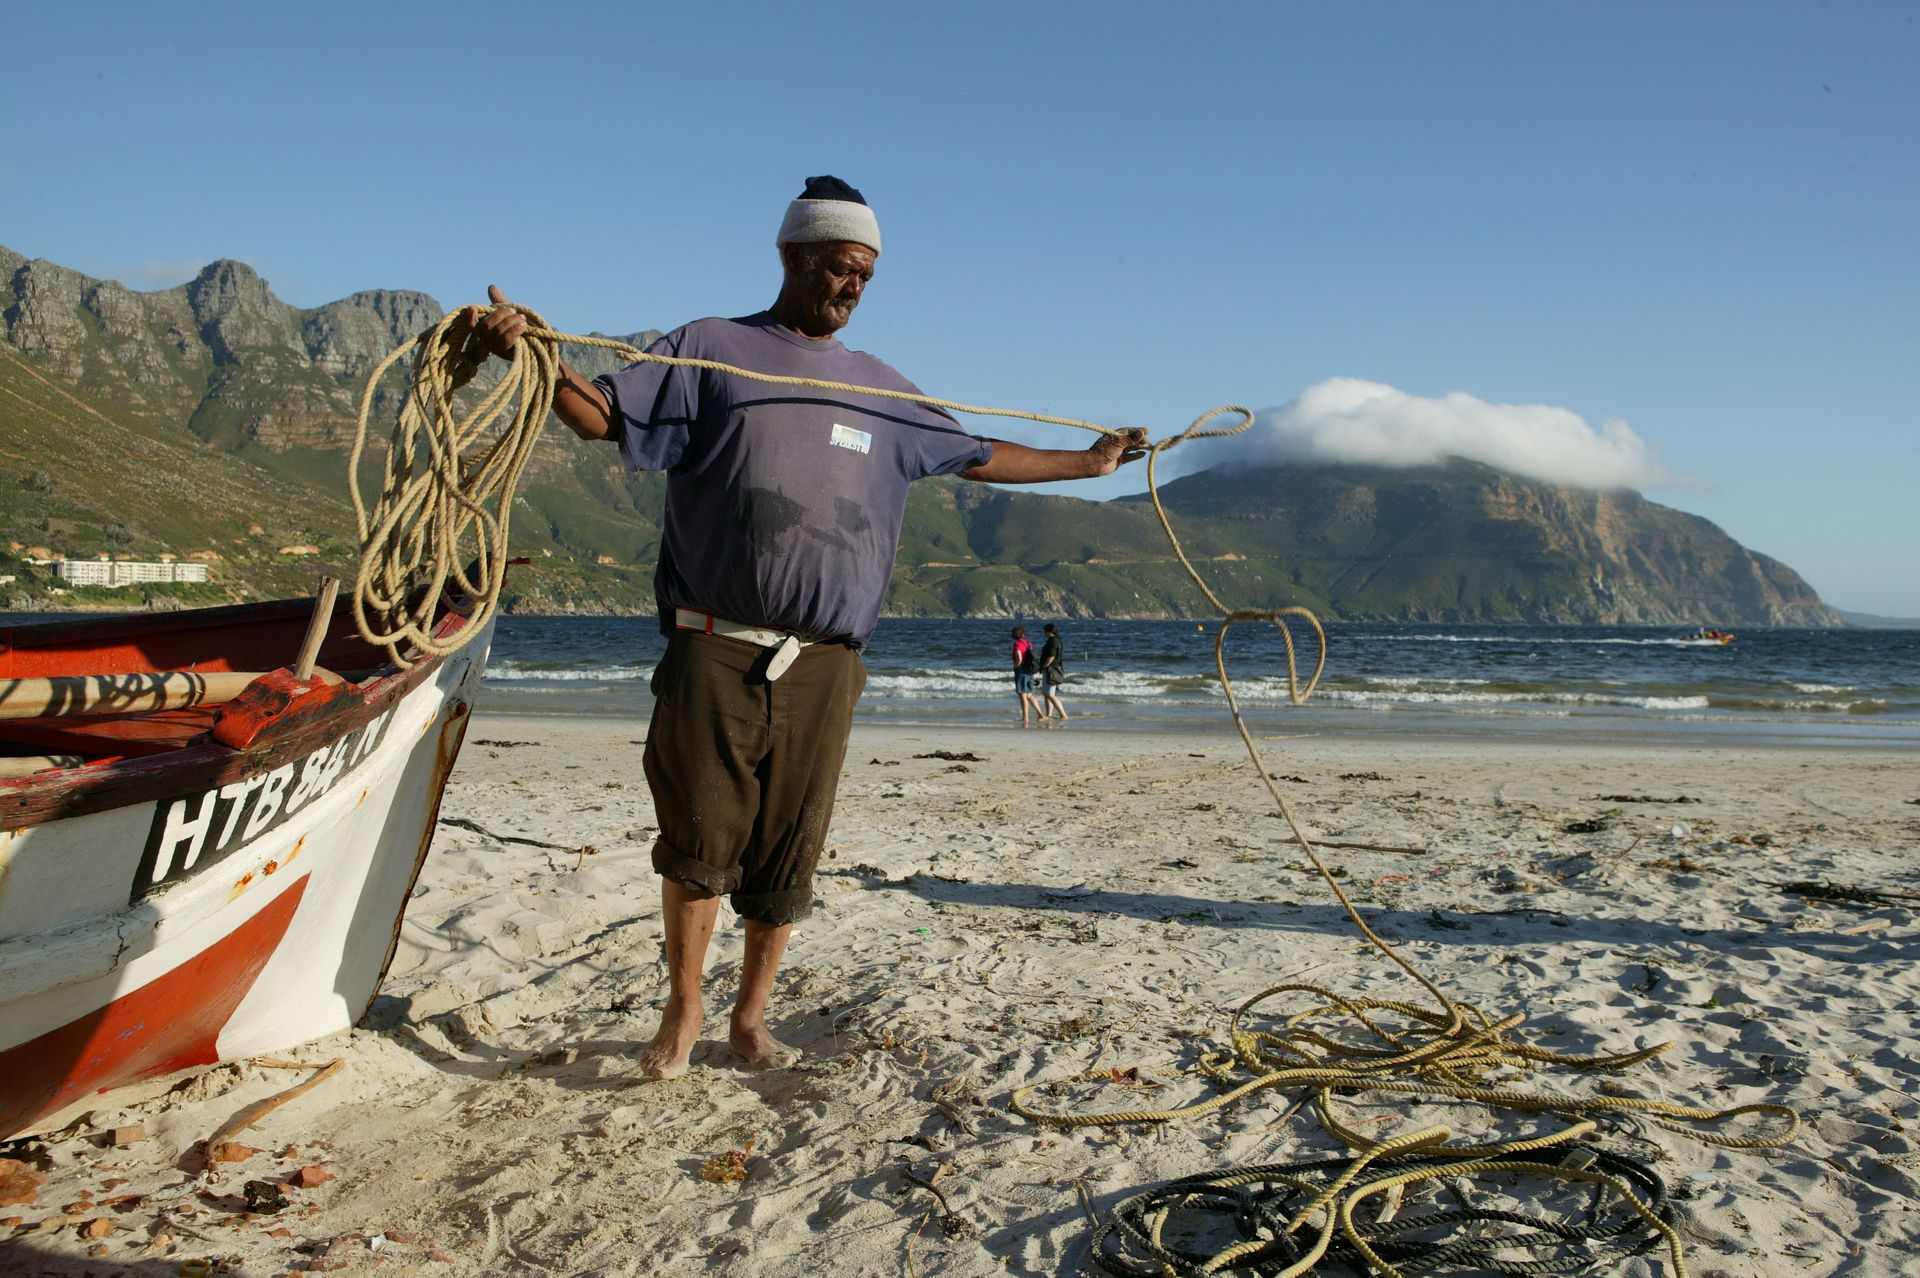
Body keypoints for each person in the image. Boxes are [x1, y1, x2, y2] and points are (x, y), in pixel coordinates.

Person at [466, 176, 1147, 1079]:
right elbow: (602, 418)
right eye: (837, 266)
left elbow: (980, 456)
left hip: (828, 664)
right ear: (792, 256)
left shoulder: (883, 391)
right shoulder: (715, 349)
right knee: (701, 838)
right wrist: (536, 359)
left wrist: (1089, 464)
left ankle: (750, 1019)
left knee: (791, 847)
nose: (852, 286)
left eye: (866, 273)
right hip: (714, 645)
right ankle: (683, 1008)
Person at [1011, 625, 1042, 726]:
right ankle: (1040, 713)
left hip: (1022, 670)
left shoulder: (1017, 644)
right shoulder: (1028, 643)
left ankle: (1025, 717)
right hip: (1030, 670)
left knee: (1023, 695)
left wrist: (1016, 667)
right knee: (1029, 694)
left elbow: (1019, 658)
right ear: (1023, 634)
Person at [1037, 622, 1068, 721]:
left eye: (1045, 631)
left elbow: (1051, 656)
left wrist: (1044, 666)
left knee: (1049, 694)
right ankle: (1049, 714)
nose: (1044, 633)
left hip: (1051, 669)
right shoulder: (1055, 640)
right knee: (1047, 694)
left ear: (1049, 632)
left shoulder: (1053, 641)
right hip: (1052, 668)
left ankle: (1063, 714)